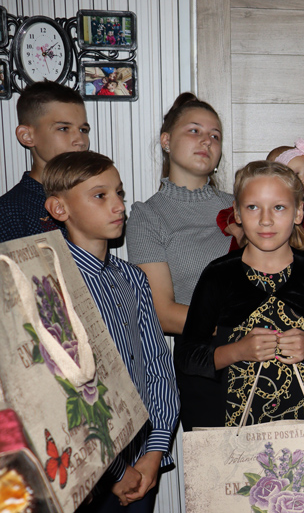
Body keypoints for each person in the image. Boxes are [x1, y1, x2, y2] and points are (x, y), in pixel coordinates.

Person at [42, 152, 179, 513]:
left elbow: (157, 365)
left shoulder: (132, 278)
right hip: (89, 472)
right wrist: (115, 471)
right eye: (100, 196)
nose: (118, 205)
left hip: (143, 460)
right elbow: (62, 392)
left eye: (119, 193)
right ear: (59, 208)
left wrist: (155, 449)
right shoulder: (52, 284)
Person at [173, 161, 304, 430]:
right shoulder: (218, 274)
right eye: (253, 207)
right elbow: (187, 357)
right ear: (237, 213)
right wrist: (238, 351)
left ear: (298, 212)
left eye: (278, 207)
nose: (265, 219)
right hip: (235, 435)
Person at [126, 93, 234, 335]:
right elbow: (163, 314)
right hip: (204, 351)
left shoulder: (242, 206)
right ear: (166, 141)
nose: (207, 141)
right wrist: (238, 331)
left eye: (215, 136)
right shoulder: (147, 216)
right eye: (195, 131)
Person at [0, 81, 90, 242]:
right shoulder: (9, 213)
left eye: (83, 130)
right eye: (64, 128)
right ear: (27, 136)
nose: (80, 140)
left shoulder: (93, 198)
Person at [216, 138, 304, 257]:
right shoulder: (245, 210)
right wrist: (239, 232)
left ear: (298, 213)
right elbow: (223, 216)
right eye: (295, 174)